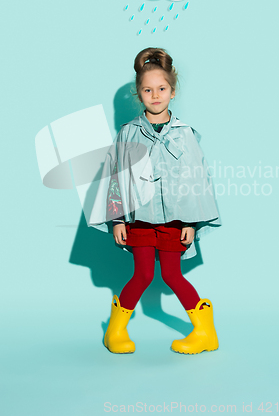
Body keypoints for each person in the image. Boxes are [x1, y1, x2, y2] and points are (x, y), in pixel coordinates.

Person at [88, 47, 222, 355]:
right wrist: (117, 219)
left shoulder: (185, 134)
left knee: (173, 275)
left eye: (161, 88)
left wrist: (191, 222)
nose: (155, 94)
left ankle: (205, 332)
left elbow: (196, 179)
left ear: (172, 92)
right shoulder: (128, 133)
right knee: (144, 274)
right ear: (140, 94)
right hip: (141, 219)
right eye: (148, 90)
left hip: (175, 219)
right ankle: (115, 331)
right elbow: (116, 178)